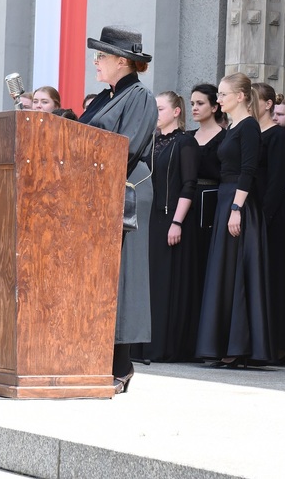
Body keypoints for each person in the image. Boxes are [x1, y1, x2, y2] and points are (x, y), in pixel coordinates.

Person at [79, 26, 158, 394]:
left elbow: (125, 149)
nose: (95, 61)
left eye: (102, 56)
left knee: (122, 276)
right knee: (96, 275)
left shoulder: (140, 97)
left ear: (123, 61)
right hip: (93, 191)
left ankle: (121, 363)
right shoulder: (101, 98)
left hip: (122, 192)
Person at [196, 72, 272, 367]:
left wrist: (237, 209)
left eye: (224, 95)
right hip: (227, 200)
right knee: (225, 272)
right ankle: (224, 342)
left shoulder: (249, 127)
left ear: (240, 96)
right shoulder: (233, 128)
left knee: (238, 272)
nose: (219, 99)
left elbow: (248, 170)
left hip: (239, 203)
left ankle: (238, 345)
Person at [135, 91, 198, 362]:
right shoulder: (150, 142)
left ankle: (161, 346)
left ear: (176, 112)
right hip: (148, 218)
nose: (156, 113)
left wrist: (177, 222)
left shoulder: (186, 143)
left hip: (170, 217)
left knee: (164, 282)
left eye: (161, 108)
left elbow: (189, 184)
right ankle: (141, 344)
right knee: (147, 281)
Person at [252, 82, 285, 361]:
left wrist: (264, 217)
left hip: (273, 216)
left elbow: (277, 181)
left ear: (269, 104)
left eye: (254, 100)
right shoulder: (251, 132)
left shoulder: (278, 137)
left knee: (277, 278)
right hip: (254, 213)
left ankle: (279, 345)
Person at [189, 83, 226, 288]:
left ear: (214, 107)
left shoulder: (225, 139)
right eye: (192, 103)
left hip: (213, 201)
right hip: (187, 200)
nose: (194, 107)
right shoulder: (187, 137)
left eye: (200, 103)